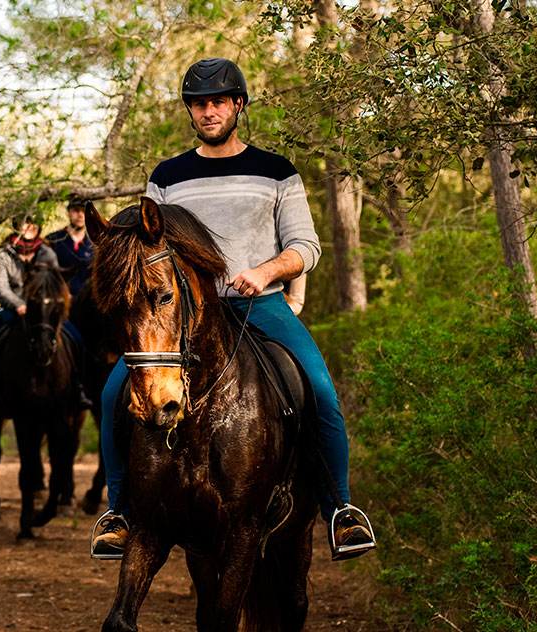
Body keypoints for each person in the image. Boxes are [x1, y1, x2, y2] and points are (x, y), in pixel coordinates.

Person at [91, 57, 376, 561]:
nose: (208, 111)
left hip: (259, 305)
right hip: (185, 316)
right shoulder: (168, 176)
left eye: (218, 101)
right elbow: (147, 244)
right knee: (116, 392)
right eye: (199, 104)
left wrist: (265, 273)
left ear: (237, 105)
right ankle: (118, 513)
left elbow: (306, 245)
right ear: (191, 112)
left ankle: (341, 511)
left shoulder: (276, 171)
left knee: (320, 391)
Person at [0, 210, 57, 410]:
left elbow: (53, 283)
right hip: (12, 310)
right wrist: (18, 305)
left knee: (75, 338)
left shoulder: (48, 253)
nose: (28, 228)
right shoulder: (4, 254)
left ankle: (77, 388)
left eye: (33, 224)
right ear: (17, 226)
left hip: (42, 312)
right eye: (24, 224)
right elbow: (0, 287)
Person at [45, 198, 94, 297]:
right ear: (69, 212)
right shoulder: (53, 240)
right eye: (76, 210)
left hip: (83, 304)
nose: (80, 215)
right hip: (57, 300)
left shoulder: (93, 246)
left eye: (84, 211)